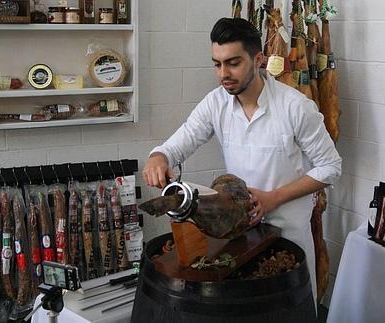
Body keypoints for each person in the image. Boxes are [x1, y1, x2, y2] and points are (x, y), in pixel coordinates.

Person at [142, 17, 341, 310]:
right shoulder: (216, 103)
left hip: (288, 240)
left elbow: (331, 166)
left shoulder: (296, 108)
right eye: (217, 64)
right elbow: (179, 142)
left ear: (258, 59)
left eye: (233, 63)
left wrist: (273, 198)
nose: (224, 73)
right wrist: (158, 157)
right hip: (237, 239)